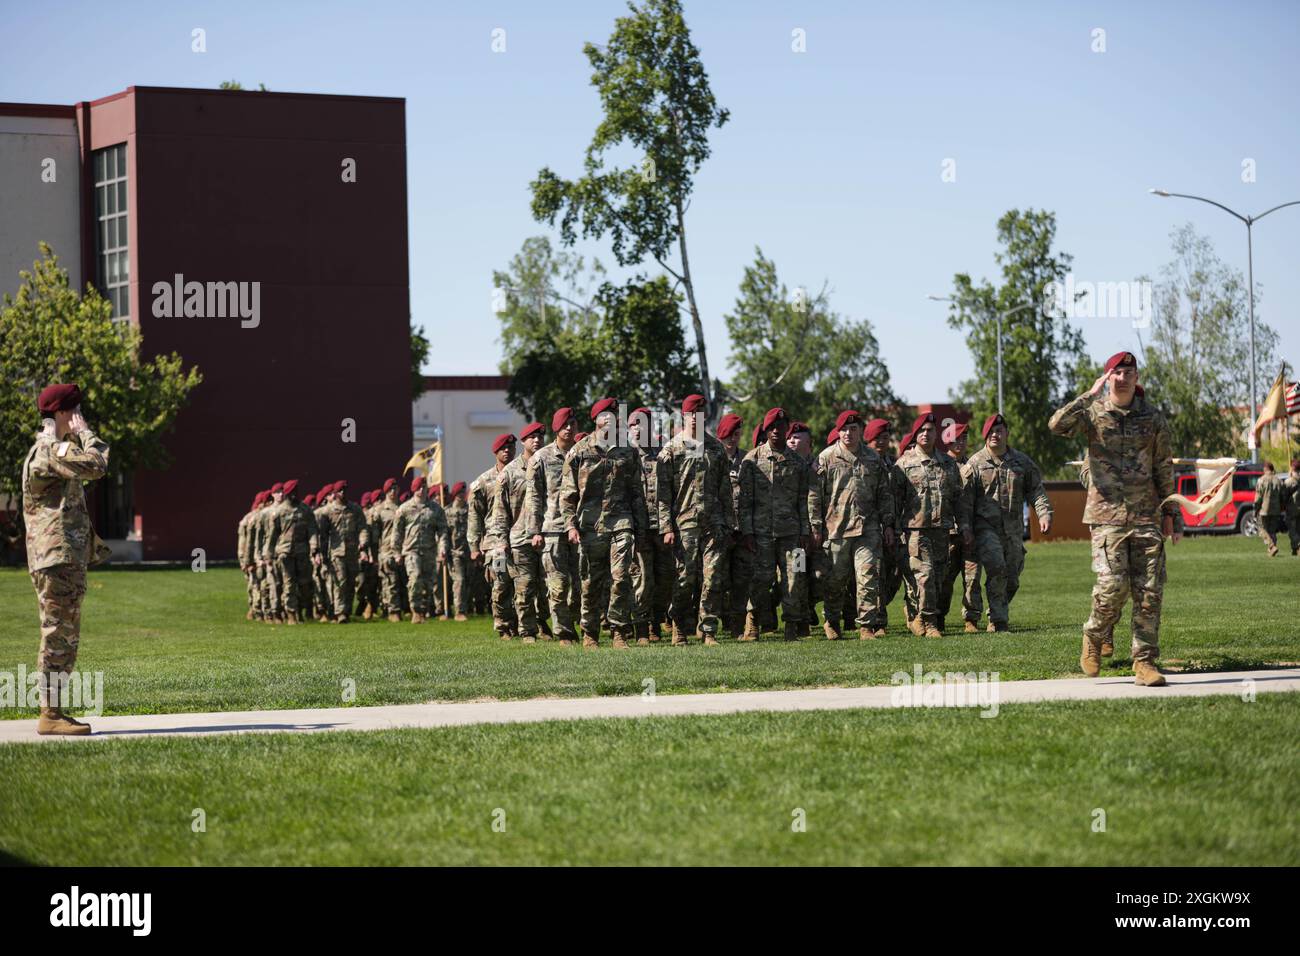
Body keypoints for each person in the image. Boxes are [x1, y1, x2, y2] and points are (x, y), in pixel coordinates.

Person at [1049, 351, 1181, 686]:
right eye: (1117, 372)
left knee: (1150, 591)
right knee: (1112, 586)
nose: (1123, 377)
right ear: (1108, 377)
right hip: (1106, 516)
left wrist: (1171, 513)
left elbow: (1164, 466)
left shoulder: (1153, 418)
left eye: (1129, 372)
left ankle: (1145, 663)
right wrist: (1089, 395)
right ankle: (1094, 635)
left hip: (1146, 515)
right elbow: (1056, 425)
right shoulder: (1093, 413)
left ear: (1137, 377)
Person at [22, 383, 111, 735]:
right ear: (63, 413)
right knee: (59, 632)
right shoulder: (51, 450)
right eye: (76, 410)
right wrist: (87, 433)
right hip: (56, 557)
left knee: (64, 633)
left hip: (59, 556)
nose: (80, 416)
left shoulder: (52, 449)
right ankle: (50, 714)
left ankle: (54, 710)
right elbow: (97, 464)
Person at [561, 398, 650, 648]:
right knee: (591, 583)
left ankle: (619, 631)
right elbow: (567, 495)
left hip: (621, 523)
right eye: (604, 414)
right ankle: (590, 633)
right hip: (589, 526)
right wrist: (570, 525)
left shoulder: (627, 451)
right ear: (595, 420)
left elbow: (637, 493)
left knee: (621, 578)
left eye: (613, 413)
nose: (610, 418)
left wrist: (640, 528)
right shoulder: (578, 452)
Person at [808, 410, 895, 640]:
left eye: (853, 429)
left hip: (867, 529)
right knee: (835, 580)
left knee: (868, 577)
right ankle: (832, 620)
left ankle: (866, 626)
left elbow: (884, 494)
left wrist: (887, 524)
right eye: (844, 429)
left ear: (861, 431)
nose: (848, 433)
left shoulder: (873, 459)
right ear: (838, 432)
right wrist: (815, 527)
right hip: (836, 530)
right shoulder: (826, 458)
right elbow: (814, 495)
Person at [963, 413, 1052, 632]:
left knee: (1011, 578)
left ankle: (996, 609)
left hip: (1013, 529)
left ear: (1006, 434)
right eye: (991, 431)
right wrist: (965, 526)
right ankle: (998, 620)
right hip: (986, 528)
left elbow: (1036, 492)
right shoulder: (974, 463)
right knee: (997, 567)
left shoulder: (1022, 462)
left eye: (1000, 431)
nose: (996, 434)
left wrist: (1044, 514)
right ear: (985, 435)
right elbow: (965, 501)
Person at [656, 395, 733, 646]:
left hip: (714, 522)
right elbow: (663, 494)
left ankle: (708, 629)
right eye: (692, 414)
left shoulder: (716, 448)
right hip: (684, 523)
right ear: (684, 416)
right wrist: (667, 527)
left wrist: (728, 523)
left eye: (701, 413)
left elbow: (725, 489)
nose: (697, 418)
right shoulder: (671, 450)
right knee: (685, 577)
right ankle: (678, 625)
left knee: (713, 577)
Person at [893, 412, 972, 637]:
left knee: (939, 579)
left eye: (930, 430)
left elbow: (958, 499)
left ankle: (920, 616)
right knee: (925, 575)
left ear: (936, 434)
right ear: (916, 434)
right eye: (922, 431)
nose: (926, 434)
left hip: (942, 530)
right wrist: (894, 529)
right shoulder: (904, 464)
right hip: (916, 531)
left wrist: (964, 526)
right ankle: (930, 623)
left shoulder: (948, 464)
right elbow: (893, 501)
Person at [739, 408, 812, 641]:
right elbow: (745, 502)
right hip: (761, 534)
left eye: (780, 427)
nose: (776, 431)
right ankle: (753, 622)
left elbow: (804, 500)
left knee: (796, 577)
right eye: (771, 427)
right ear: (766, 430)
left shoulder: (799, 463)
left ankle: (793, 626)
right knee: (761, 579)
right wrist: (747, 532)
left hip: (792, 534)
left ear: (786, 429)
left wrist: (805, 531)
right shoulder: (751, 460)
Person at [527, 408, 581, 645]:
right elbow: (534, 497)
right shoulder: (542, 457)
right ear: (556, 428)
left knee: (581, 587)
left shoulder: (585, 453)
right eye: (564, 424)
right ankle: (564, 633)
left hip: (583, 528)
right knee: (557, 585)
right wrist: (535, 531)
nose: (569, 428)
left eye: (572, 423)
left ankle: (577, 624)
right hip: (553, 530)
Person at [491, 421, 546, 642]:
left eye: (540, 436)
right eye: (532, 437)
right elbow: (500, 511)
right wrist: (500, 540)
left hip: (547, 534)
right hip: (519, 538)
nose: (537, 440)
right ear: (524, 441)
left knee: (547, 588)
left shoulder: (549, 463)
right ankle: (526, 631)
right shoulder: (509, 474)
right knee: (522, 586)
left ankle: (542, 624)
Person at [627, 407, 674, 644]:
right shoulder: (623, 455)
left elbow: (671, 491)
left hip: (662, 526)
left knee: (665, 578)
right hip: (637, 528)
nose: (636, 429)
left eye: (641, 424)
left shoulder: (664, 454)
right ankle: (643, 628)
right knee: (642, 579)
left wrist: (669, 526)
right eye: (632, 425)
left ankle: (657, 620)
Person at [469, 433, 518, 638]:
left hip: (518, 539)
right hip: (494, 544)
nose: (507, 451)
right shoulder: (482, 482)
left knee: (520, 585)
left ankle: (518, 624)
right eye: (503, 449)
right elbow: (475, 516)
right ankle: (503, 625)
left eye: (510, 448)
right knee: (500, 583)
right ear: (496, 452)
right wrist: (473, 546)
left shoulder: (521, 474)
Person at [938, 423, 983, 632]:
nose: (961, 442)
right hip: (948, 532)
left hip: (970, 532)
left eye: (964, 438)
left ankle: (971, 619)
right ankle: (938, 617)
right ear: (948, 440)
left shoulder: (972, 465)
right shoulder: (940, 465)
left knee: (972, 577)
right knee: (945, 579)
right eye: (957, 438)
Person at [716, 413, 754, 640]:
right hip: (719, 530)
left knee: (742, 580)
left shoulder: (747, 461)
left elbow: (750, 497)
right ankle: (713, 625)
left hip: (742, 530)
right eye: (729, 435)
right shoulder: (712, 457)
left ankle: (738, 627)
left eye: (737, 435)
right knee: (717, 580)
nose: (732, 439)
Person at [392, 476, 448, 622]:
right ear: (413, 489)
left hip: (430, 551)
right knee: (415, 578)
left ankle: (424, 610)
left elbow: (442, 530)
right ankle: (416, 610)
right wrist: (396, 552)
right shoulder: (404, 509)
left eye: (424, 487)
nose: (422, 490)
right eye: (418, 487)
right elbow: (397, 533)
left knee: (429, 583)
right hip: (411, 550)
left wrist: (442, 548)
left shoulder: (435, 509)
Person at [865, 418, 902, 629]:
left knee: (894, 575)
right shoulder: (864, 463)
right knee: (875, 573)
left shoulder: (894, 465)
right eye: (877, 438)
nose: (881, 442)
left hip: (893, 527)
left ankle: (880, 609)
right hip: (869, 527)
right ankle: (877, 621)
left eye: (885, 438)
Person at [444, 481, 472, 620]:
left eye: (463, 492)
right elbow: (443, 534)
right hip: (454, 553)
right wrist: (442, 550)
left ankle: (466, 608)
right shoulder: (447, 512)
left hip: (469, 552)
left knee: (467, 582)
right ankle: (459, 611)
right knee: (459, 581)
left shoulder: (470, 510)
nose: (461, 495)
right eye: (459, 493)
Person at [1253, 461, 1284, 557]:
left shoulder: (1261, 480)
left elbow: (1258, 498)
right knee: (1272, 530)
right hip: (1276, 510)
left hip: (1264, 509)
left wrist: (1256, 509)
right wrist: (1282, 507)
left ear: (1265, 469)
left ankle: (1271, 546)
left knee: (1261, 529)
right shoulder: (1279, 480)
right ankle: (1272, 550)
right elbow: (1282, 496)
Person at [1285, 460, 1300, 556]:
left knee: (1292, 531)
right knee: (1298, 530)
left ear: (1292, 468)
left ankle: (1298, 546)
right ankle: (1294, 550)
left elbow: (1284, 494)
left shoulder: (1290, 481)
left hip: (1292, 509)